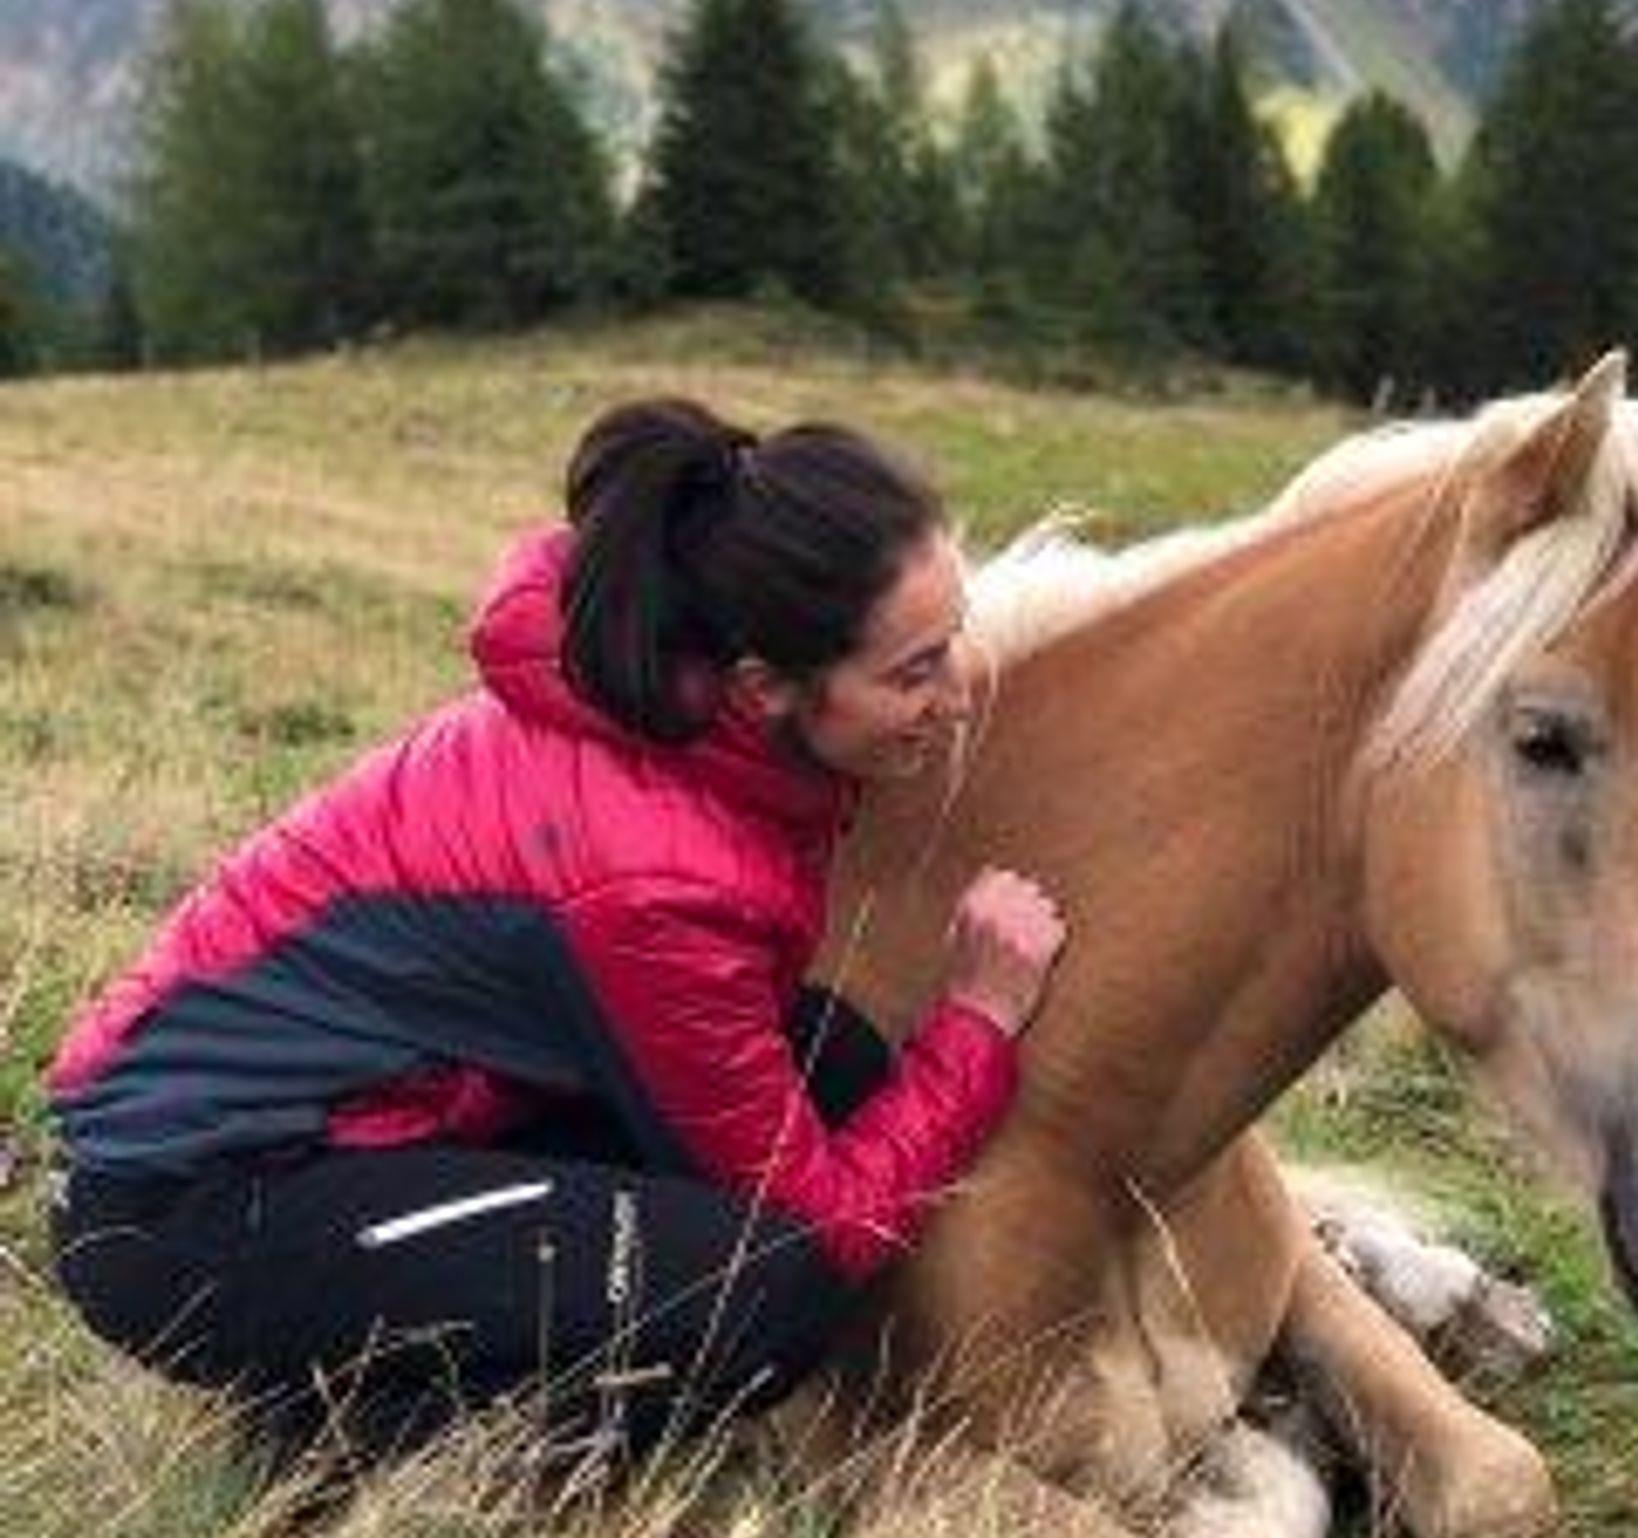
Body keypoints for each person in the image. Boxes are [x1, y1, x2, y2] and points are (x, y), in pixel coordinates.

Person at [43, 397, 1065, 1459]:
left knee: (833, 1059)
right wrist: (978, 1021)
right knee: (763, 1294)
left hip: (356, 1124)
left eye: (954, 637)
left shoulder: (676, 711)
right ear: (764, 687)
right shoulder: (653, 876)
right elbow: (821, 1226)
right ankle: (339, 1455)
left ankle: (387, 1360)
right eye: (913, 671)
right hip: (188, 1210)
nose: (960, 692)